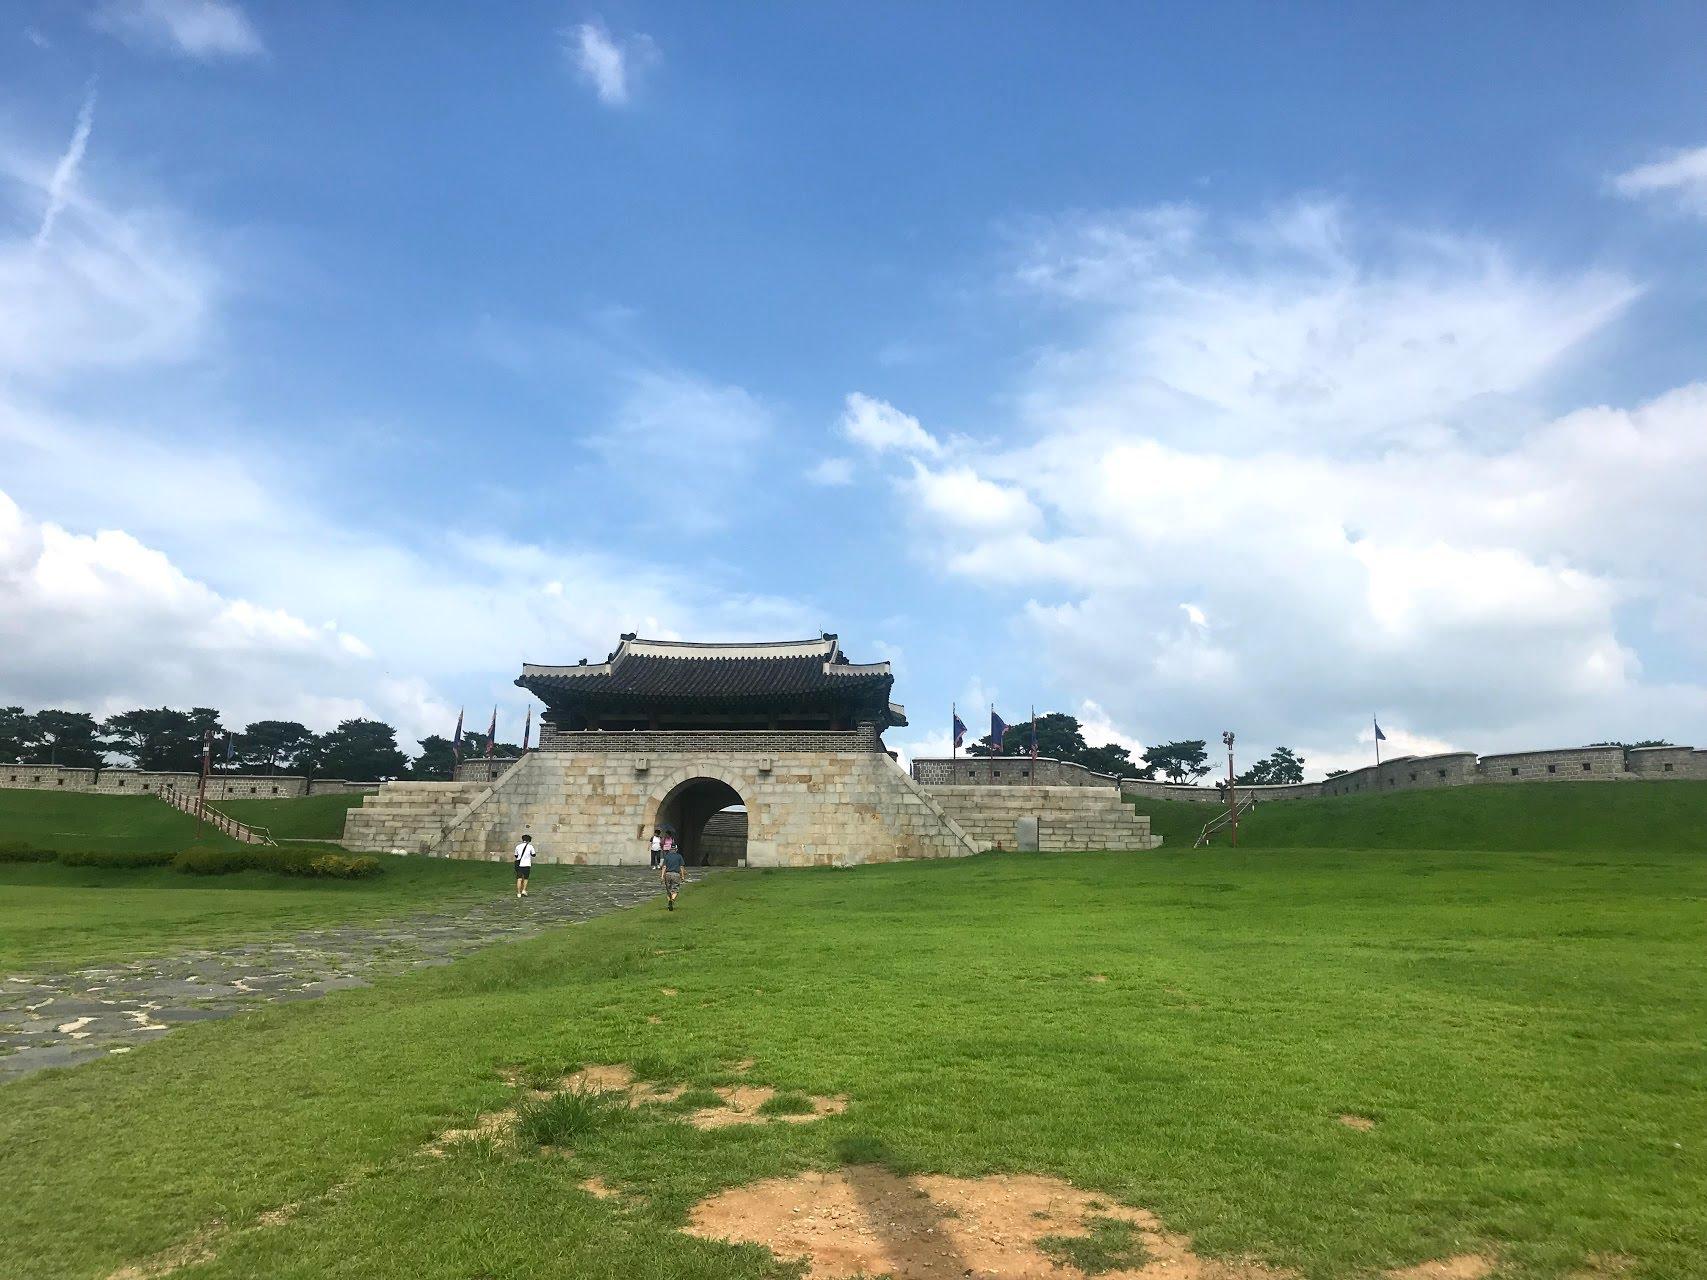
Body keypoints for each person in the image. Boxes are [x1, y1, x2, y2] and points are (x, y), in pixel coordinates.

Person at [660, 839, 685, 910]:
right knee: (675, 889)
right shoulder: (679, 856)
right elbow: (681, 867)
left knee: (668, 890)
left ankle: (669, 902)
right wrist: (682, 876)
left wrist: (662, 876)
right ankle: (672, 900)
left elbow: (664, 867)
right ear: (676, 849)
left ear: (670, 849)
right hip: (676, 874)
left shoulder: (667, 856)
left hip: (667, 874)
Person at [513, 833, 535, 898]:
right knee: (525, 878)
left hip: (519, 865)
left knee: (519, 879)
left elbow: (516, 855)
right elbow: (533, 854)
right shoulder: (530, 846)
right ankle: (524, 890)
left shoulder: (518, 846)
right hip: (527, 864)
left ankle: (518, 893)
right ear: (529, 840)